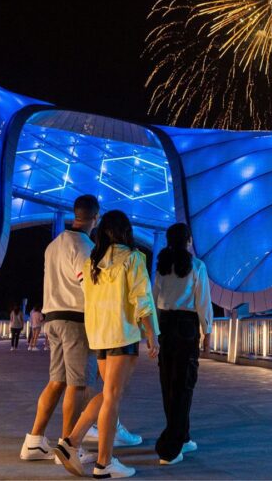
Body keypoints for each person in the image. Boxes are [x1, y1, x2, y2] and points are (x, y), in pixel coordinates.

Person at [20, 197, 141, 465]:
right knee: (80, 385)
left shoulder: (53, 246)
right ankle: (68, 446)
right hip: (75, 321)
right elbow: (91, 288)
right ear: (95, 218)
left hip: (52, 319)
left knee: (57, 381)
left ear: (76, 215)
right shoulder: (85, 247)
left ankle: (34, 441)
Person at [55, 210, 159, 479]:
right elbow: (142, 299)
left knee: (109, 394)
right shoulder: (133, 258)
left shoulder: (92, 263)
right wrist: (152, 335)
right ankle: (103, 463)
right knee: (113, 396)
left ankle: (72, 442)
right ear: (125, 231)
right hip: (122, 334)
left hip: (99, 336)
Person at [152, 223, 213, 465]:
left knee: (168, 382)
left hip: (165, 325)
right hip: (187, 327)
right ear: (188, 240)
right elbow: (203, 301)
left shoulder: (162, 267)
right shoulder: (197, 266)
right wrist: (207, 331)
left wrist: (154, 332)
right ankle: (171, 448)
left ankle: (183, 436)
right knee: (184, 383)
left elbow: (154, 299)